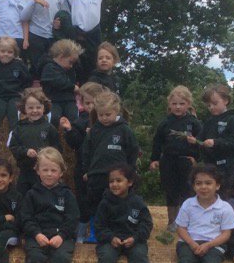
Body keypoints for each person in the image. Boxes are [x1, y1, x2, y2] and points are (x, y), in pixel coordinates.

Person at [21, 147, 79, 263]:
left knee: (61, 259)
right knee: (34, 258)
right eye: (44, 170)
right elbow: (26, 218)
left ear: (61, 172)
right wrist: (36, 234)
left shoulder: (67, 195)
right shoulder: (31, 194)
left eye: (53, 170)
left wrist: (61, 235)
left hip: (61, 237)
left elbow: (72, 218)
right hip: (37, 236)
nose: (49, 174)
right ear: (37, 171)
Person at [94, 164, 155, 263]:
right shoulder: (105, 203)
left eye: (118, 180)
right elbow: (99, 227)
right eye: (111, 181)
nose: (114, 184)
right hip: (111, 241)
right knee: (106, 257)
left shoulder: (138, 202)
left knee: (140, 255)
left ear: (130, 182)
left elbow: (146, 224)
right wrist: (110, 237)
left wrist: (135, 238)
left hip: (133, 240)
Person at [81, 90, 140, 231]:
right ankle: (95, 231)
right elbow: (86, 152)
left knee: (117, 202)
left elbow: (133, 151)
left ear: (117, 111)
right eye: (101, 115)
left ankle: (119, 229)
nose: (104, 118)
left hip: (117, 176)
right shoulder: (94, 130)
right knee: (95, 202)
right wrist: (86, 171)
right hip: (96, 175)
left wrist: (130, 171)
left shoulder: (125, 130)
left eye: (108, 114)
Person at [149, 85, 202, 231]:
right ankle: (172, 221)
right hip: (168, 161)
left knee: (188, 191)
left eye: (181, 104)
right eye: (174, 104)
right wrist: (154, 159)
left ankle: (187, 222)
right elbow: (157, 141)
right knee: (171, 190)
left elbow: (202, 141)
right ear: (169, 105)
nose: (178, 107)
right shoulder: (165, 123)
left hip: (186, 161)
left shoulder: (194, 123)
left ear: (188, 104)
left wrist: (196, 157)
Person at [59, 82, 106, 242]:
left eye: (94, 102)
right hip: (82, 167)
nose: (91, 106)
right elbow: (74, 143)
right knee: (82, 198)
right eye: (87, 103)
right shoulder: (80, 120)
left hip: (100, 167)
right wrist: (69, 129)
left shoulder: (106, 120)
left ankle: (95, 230)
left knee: (99, 199)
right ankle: (80, 231)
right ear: (82, 103)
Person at [19, 0, 69, 78]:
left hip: (54, 37)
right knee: (38, 68)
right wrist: (34, 1)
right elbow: (23, 17)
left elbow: (66, 15)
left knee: (55, 67)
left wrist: (60, 23)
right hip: (36, 36)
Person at [8, 87, 62, 196]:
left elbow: (57, 149)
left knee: (42, 197)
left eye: (38, 107)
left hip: (43, 173)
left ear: (44, 107)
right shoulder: (19, 127)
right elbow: (13, 147)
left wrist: (46, 156)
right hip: (25, 171)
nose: (35, 111)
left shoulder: (49, 128)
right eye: (30, 107)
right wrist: (25, 152)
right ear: (24, 108)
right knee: (22, 198)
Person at [192, 84, 234, 191]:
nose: (211, 107)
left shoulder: (233, 120)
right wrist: (194, 140)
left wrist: (215, 142)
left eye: (215, 103)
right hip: (210, 168)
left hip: (229, 168)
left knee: (228, 196)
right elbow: (200, 138)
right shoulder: (209, 122)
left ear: (226, 101)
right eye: (208, 105)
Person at [0, 36, 31, 142]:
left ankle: (13, 133)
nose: (6, 54)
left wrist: (25, 94)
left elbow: (27, 80)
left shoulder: (19, 65)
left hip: (15, 95)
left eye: (9, 52)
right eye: (3, 51)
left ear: (14, 53)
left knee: (13, 111)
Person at [40, 38, 82, 126]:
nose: (71, 66)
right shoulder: (49, 67)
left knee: (74, 118)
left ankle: (73, 135)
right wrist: (73, 87)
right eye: (70, 62)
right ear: (61, 56)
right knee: (54, 118)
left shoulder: (70, 70)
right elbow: (58, 81)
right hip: (53, 100)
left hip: (69, 100)